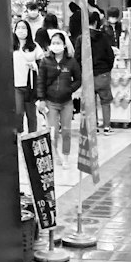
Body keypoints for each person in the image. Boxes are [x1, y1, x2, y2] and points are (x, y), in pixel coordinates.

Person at [36, 31, 81, 167]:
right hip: (51, 102)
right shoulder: (45, 61)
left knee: (66, 131)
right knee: (53, 132)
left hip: (67, 102)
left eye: (59, 43)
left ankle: (66, 157)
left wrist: (70, 89)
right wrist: (41, 99)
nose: (56, 46)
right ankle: (55, 155)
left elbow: (79, 79)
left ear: (64, 45)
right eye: (54, 43)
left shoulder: (71, 62)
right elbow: (40, 81)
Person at [82, 10, 116, 133]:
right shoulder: (104, 37)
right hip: (103, 74)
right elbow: (110, 55)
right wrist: (107, 69)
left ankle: (93, 126)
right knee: (105, 101)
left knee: (91, 102)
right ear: (96, 22)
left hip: (88, 75)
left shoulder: (82, 38)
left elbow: (77, 57)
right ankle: (107, 126)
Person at [12, 19, 40, 133]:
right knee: (18, 112)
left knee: (31, 114)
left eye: (24, 28)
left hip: (30, 85)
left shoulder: (34, 46)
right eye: (19, 27)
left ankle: (32, 137)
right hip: (16, 85)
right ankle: (19, 134)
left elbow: (41, 61)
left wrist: (34, 65)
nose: (21, 30)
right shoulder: (11, 45)